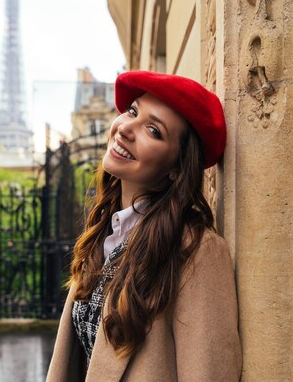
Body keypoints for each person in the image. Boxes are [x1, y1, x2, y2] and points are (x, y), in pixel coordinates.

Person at [46, 71, 242, 381]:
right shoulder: (104, 233)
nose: (125, 129)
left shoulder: (196, 250)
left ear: (177, 168)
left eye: (153, 130)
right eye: (133, 112)